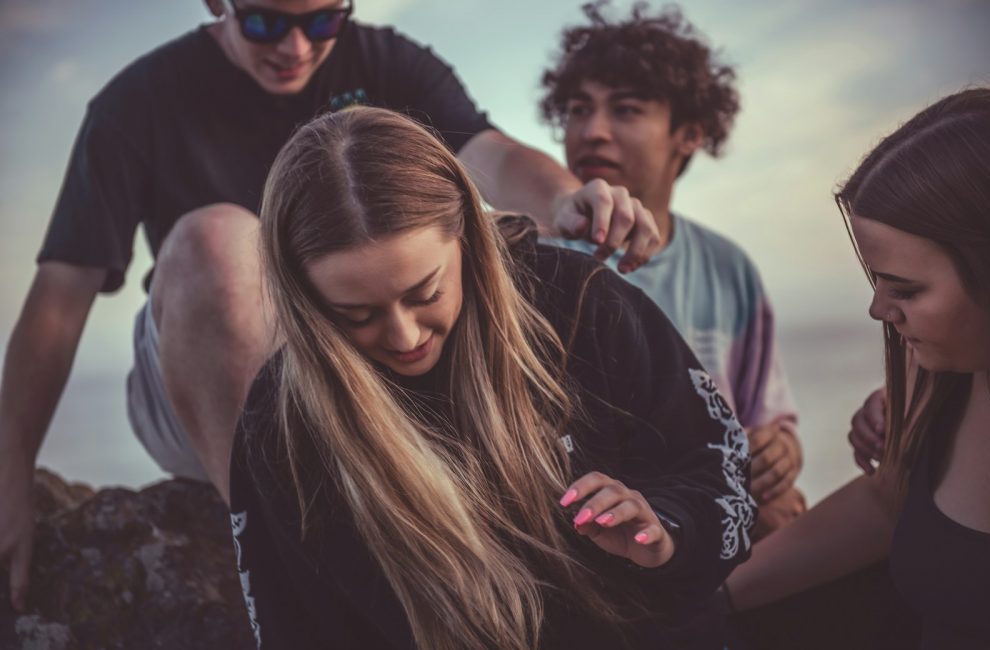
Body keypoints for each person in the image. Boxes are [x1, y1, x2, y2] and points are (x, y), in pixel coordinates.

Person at [0, 0, 664, 613]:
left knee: (484, 233)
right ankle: (292, 556)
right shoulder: (136, 104)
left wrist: (567, 199)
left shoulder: (386, 62)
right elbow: (60, 299)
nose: (294, 46)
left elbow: (494, 156)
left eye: (321, 21)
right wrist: (11, 467)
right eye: (264, 22)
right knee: (220, 242)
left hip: (366, 359)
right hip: (203, 379)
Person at [228, 106, 754, 649]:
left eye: (425, 293)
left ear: (468, 238)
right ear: (303, 300)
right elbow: (292, 627)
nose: (404, 337)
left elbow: (721, 472)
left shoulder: (578, 303)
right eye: (355, 315)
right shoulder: (279, 423)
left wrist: (664, 532)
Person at [726, 87, 990, 649]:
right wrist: (701, 606)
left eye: (905, 288)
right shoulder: (938, 373)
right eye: (875, 280)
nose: (878, 309)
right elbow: (885, 501)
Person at [539, 1, 804, 539]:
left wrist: (781, 450)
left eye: (627, 110)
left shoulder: (728, 268)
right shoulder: (535, 262)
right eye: (578, 109)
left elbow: (766, 416)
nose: (593, 131)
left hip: (705, 535)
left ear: (689, 133)